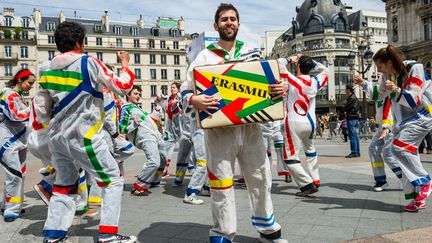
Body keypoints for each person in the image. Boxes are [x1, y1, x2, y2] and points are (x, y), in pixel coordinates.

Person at [181, 4, 287, 243]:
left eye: (233, 19)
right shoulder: (204, 56)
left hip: (252, 129)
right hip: (219, 132)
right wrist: (194, 98)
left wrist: (283, 87)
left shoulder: (251, 52)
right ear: (216, 25)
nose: (229, 22)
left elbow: (273, 84)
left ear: (238, 24)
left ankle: (268, 231)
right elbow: (185, 91)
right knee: (220, 183)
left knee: (261, 179)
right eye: (224, 19)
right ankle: (222, 233)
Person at [36, 22, 136, 242]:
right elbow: (122, 86)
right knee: (112, 180)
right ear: (79, 42)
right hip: (85, 135)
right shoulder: (89, 62)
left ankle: (53, 235)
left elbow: (41, 109)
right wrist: (126, 64)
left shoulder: (46, 69)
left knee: (64, 185)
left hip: (57, 138)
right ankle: (108, 235)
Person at [354, 45, 432, 212]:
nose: (378, 70)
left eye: (380, 66)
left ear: (389, 62)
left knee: (398, 149)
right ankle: (416, 197)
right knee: (406, 156)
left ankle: (424, 180)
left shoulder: (414, 68)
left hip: (422, 116)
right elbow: (379, 94)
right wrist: (364, 84)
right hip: (402, 121)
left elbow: (415, 99)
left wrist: (396, 89)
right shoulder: (387, 75)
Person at [276, 54, 329, 195]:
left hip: (294, 122)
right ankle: (315, 179)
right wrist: (313, 62)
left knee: (290, 157)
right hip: (310, 123)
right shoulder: (315, 82)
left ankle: (306, 184)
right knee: (310, 150)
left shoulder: (291, 79)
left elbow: (279, 63)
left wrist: (289, 59)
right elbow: (326, 71)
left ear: (298, 66)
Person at [0, 69, 35, 222]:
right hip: (8, 140)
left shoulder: (17, 96)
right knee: (14, 174)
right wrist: (33, 110)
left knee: (18, 173)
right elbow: (15, 115)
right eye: (30, 83)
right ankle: (11, 210)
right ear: (20, 79)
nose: (31, 86)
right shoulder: (9, 95)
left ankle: (10, 204)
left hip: (18, 141)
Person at [119, 85, 167, 196]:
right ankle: (138, 186)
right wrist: (134, 124)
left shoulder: (138, 108)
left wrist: (157, 107)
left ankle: (154, 180)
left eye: (139, 94)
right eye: (135, 94)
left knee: (163, 160)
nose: (138, 96)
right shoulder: (126, 108)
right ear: (128, 94)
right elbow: (122, 128)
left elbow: (150, 120)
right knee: (154, 162)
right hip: (145, 138)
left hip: (156, 136)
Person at [344, 84, 360, 158]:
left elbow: (346, 107)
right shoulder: (354, 97)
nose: (345, 91)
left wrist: (344, 107)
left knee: (352, 135)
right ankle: (357, 151)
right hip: (354, 118)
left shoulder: (351, 98)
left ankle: (354, 152)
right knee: (355, 135)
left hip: (351, 118)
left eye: (345, 89)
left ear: (348, 90)